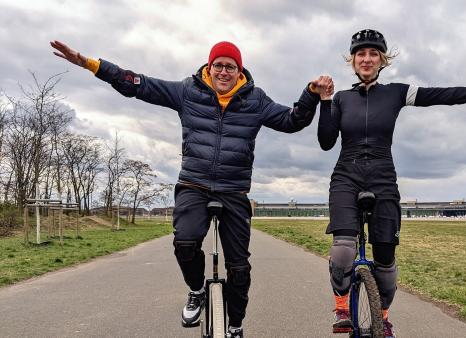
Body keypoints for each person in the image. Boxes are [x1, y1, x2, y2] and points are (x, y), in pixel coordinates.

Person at [51, 40, 333, 338]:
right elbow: (139, 84)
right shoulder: (189, 91)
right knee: (185, 244)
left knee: (239, 268)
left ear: (240, 71)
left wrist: (310, 94)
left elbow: (293, 121)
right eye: (218, 65)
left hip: (234, 190)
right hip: (193, 185)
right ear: (209, 67)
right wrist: (92, 65)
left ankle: (235, 325)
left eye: (231, 66)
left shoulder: (256, 100)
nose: (224, 71)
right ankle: (197, 290)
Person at [317, 29, 466, 338]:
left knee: (386, 259)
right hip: (345, 177)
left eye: (373, 53)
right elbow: (326, 142)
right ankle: (342, 306)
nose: (367, 58)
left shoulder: (397, 92)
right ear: (352, 60)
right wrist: (325, 101)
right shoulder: (341, 98)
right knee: (342, 252)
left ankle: (383, 317)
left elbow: (448, 95)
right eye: (361, 54)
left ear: (382, 60)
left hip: (382, 177)